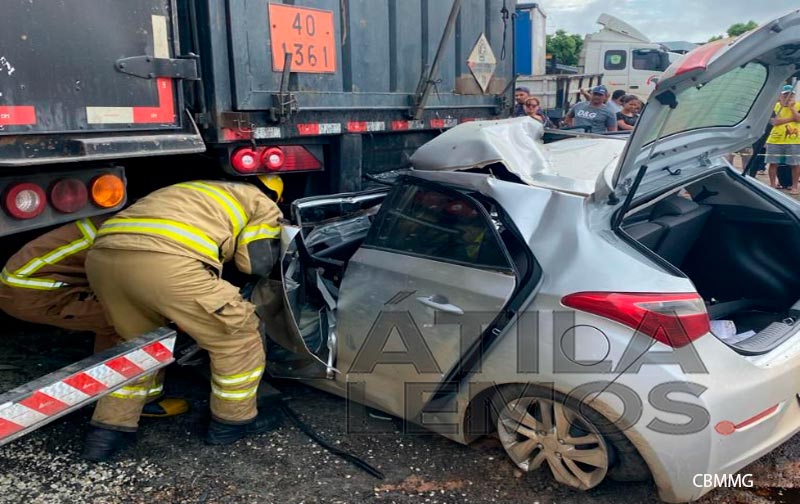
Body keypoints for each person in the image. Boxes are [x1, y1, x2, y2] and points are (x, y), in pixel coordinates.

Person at [81, 175, 285, 462]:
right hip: (167, 264)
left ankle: (106, 433)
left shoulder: (185, 190)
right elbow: (254, 263)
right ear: (275, 194)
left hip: (102, 260)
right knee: (237, 338)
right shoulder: (261, 202)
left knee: (137, 345)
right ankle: (233, 423)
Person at [0, 217, 189, 418]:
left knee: (125, 310)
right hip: (34, 291)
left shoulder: (138, 220)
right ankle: (138, 402)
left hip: (31, 282)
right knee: (134, 323)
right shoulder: (146, 239)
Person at [765, 84, 800, 194]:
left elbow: (799, 119)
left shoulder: (798, 106)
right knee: (773, 163)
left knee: (795, 164)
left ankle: (794, 186)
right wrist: (792, 118)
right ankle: (772, 184)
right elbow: (774, 121)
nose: (788, 97)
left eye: (791, 95)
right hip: (775, 140)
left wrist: (792, 109)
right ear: (780, 96)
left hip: (794, 141)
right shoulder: (774, 106)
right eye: (785, 95)